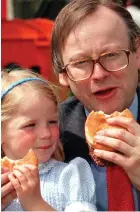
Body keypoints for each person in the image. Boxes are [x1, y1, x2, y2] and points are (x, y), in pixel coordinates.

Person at [51, 0, 140, 210]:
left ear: (137, 53)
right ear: (63, 74)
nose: (99, 74)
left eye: (110, 55)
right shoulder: (47, 135)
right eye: (80, 63)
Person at [1, 69, 97, 211]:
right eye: (30, 125)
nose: (46, 133)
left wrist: (35, 204)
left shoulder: (70, 177)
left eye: (52, 122)